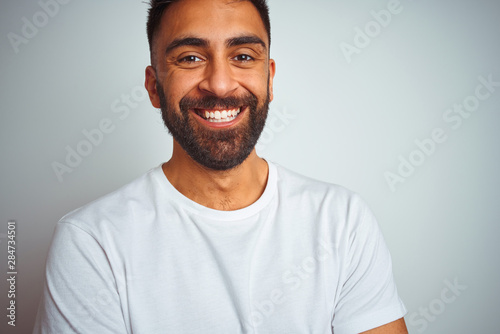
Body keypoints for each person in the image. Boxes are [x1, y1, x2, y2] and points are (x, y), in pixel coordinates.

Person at [33, 0, 408, 333]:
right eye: (190, 58)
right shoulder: (91, 242)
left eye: (243, 55)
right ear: (153, 86)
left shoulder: (342, 220)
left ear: (270, 78)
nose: (221, 84)